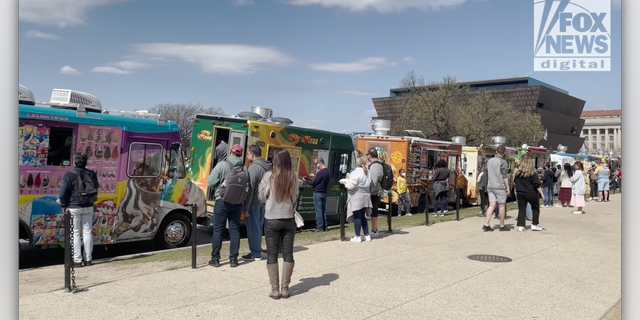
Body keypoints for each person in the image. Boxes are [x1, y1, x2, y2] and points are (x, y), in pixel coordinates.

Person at [259, 148, 299, 299]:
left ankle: (275, 289)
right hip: (288, 218)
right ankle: (285, 288)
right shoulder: (294, 176)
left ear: (275, 161)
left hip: (272, 218)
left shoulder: (269, 176)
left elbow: (262, 196)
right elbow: (295, 196)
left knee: (272, 254)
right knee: (288, 253)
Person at [207, 144, 252, 268]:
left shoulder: (222, 165)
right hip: (237, 203)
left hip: (221, 201)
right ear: (241, 154)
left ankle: (215, 259)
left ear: (230, 152)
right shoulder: (245, 169)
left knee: (218, 230)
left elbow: (210, 182)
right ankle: (233, 259)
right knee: (234, 230)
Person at [57, 152, 99, 267]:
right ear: (86, 162)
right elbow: (95, 189)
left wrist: (63, 204)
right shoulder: (92, 174)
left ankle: (77, 260)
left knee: (75, 233)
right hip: (88, 206)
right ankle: (88, 259)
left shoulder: (68, 175)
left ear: (75, 162)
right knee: (87, 232)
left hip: (73, 207)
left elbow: (62, 194)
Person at [242, 144, 272, 262]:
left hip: (254, 201)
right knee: (259, 227)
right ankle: (257, 249)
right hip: (265, 200)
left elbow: (250, 188)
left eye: (248, 153)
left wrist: (246, 207)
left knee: (253, 228)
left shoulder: (253, 168)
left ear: (252, 154)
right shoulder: (268, 166)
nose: (247, 155)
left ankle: (255, 253)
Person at [340, 156, 373, 243]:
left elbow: (350, 186)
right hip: (366, 195)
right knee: (363, 216)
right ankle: (367, 235)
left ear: (357, 163)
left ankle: (357, 236)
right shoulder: (368, 172)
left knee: (357, 216)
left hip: (357, 195)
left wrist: (345, 183)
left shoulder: (355, 172)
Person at [482, 145, 511, 232]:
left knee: (491, 205)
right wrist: (508, 187)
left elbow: (487, 172)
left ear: (496, 152)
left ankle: (486, 224)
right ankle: (502, 225)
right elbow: (504, 176)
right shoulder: (503, 162)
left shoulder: (489, 161)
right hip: (499, 186)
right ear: (504, 152)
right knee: (501, 205)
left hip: (490, 185)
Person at [512, 157, 545, 232]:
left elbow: (514, 182)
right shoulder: (532, 173)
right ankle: (534, 224)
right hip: (531, 193)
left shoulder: (518, 173)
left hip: (520, 192)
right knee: (535, 208)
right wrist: (542, 193)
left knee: (522, 209)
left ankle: (521, 225)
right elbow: (537, 185)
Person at [304, 158, 330, 232]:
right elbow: (321, 180)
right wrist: (315, 176)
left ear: (319, 163)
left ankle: (319, 227)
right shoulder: (327, 171)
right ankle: (325, 226)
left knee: (318, 211)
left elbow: (313, 183)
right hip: (324, 193)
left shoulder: (320, 173)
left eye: (316, 164)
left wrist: (306, 180)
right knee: (323, 210)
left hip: (317, 193)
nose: (316, 166)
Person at [365, 148, 383, 238]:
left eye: (367, 154)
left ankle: (374, 230)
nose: (366, 157)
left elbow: (374, 181)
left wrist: (369, 191)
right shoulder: (378, 164)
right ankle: (374, 229)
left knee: (373, 212)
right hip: (377, 191)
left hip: (374, 192)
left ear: (370, 155)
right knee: (374, 212)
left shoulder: (375, 166)